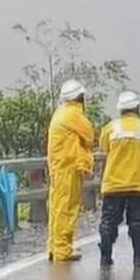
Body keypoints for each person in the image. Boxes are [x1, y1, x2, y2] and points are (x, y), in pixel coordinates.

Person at [97, 91, 140, 268]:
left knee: (109, 221)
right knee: (138, 223)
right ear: (137, 108)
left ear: (120, 110)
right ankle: (138, 259)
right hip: (139, 185)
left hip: (113, 184)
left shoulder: (110, 128)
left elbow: (103, 152)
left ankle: (105, 257)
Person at [47, 79, 95, 262]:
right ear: (80, 97)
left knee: (58, 208)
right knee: (67, 209)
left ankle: (55, 246)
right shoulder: (73, 114)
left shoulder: (60, 112)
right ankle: (62, 250)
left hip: (59, 167)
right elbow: (90, 136)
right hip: (68, 167)